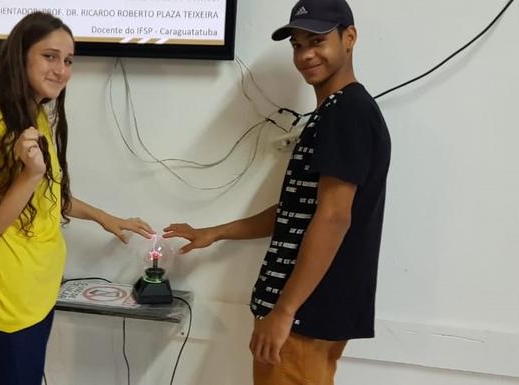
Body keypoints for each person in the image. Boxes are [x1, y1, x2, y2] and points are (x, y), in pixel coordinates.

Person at [164, 1, 391, 384]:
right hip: (302, 313)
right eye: (298, 45)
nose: (305, 55)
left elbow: (334, 216)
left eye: (317, 41)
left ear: (348, 38)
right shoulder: (335, 112)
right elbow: (298, 209)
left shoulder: (346, 112)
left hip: (304, 316)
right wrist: (216, 232)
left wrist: (285, 312)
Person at [0, 12, 154, 385]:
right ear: (20, 56)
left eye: (68, 60)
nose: (61, 70)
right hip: (5, 299)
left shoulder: (33, 114)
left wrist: (105, 217)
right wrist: (30, 173)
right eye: (50, 56)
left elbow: (46, 194)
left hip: (34, 290)